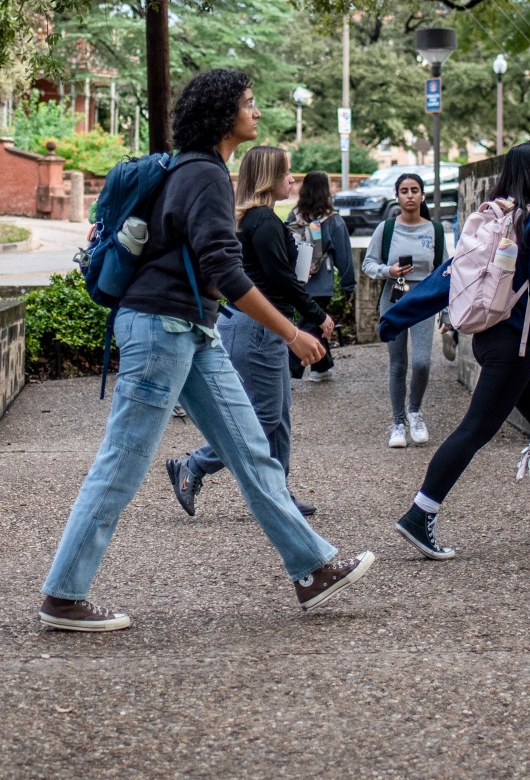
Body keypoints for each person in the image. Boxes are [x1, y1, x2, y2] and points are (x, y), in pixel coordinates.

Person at [38, 69, 374, 632]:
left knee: (251, 449)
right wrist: (292, 333)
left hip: (191, 330)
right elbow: (225, 269)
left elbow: (213, 271)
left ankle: (312, 567)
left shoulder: (196, 172)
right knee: (122, 462)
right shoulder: (205, 176)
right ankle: (63, 595)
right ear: (223, 115)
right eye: (249, 103)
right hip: (160, 330)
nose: (257, 112)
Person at [387, 144, 530, 560]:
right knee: (475, 429)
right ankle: (420, 515)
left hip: (491, 339)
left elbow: (449, 276)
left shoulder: (496, 219)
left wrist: (397, 316)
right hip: (516, 348)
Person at [166, 146, 337, 518]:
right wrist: (316, 313)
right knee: (263, 417)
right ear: (268, 178)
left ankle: (278, 492)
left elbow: (276, 276)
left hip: (259, 326)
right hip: (258, 327)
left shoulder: (254, 219)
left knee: (279, 416)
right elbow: (280, 279)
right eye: (287, 172)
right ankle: (194, 465)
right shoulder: (262, 221)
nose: (293, 179)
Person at [363, 173, 446, 447]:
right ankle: (398, 422)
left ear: (422, 195)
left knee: (422, 361)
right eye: (404, 190)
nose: (409, 195)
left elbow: (445, 272)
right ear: (396, 196)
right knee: (398, 363)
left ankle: (414, 411)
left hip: (423, 299)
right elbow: (368, 264)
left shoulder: (435, 230)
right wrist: (390, 270)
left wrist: (446, 312)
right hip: (395, 297)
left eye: (414, 190)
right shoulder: (386, 229)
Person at [289, 171, 355, 383]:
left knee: (311, 323)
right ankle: (293, 369)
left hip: (298, 282)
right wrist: (348, 287)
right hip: (322, 283)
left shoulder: (293, 216)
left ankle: (321, 367)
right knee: (309, 326)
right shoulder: (333, 220)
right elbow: (344, 256)